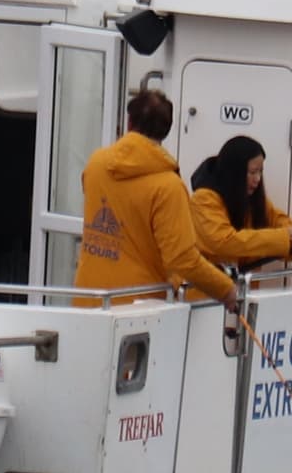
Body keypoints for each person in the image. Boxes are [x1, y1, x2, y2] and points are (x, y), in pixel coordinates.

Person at [74, 83, 237, 313]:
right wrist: (227, 290)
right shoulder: (168, 186)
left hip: (87, 300)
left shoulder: (96, 164)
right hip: (138, 313)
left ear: (130, 122)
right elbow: (183, 260)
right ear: (166, 131)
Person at [188, 134, 292, 271]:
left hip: (241, 297)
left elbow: (291, 241)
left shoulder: (256, 203)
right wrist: (282, 237)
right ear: (234, 172)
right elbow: (224, 242)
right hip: (204, 297)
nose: (257, 179)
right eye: (252, 172)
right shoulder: (203, 200)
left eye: (260, 172)